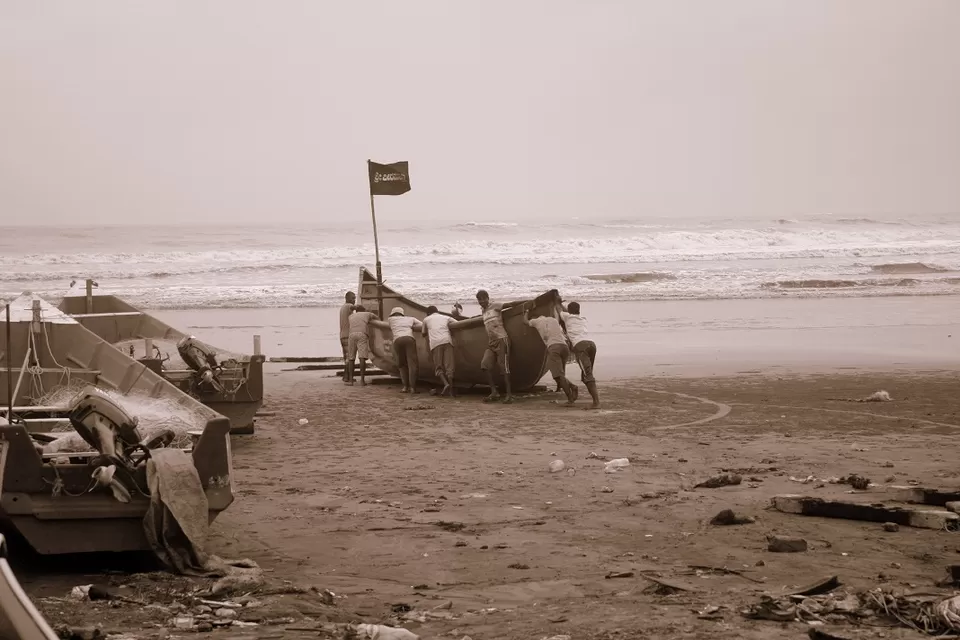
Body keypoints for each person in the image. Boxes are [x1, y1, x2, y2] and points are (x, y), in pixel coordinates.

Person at [473, 289, 525, 403]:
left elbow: (510, 305)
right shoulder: (483, 311)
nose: (482, 301)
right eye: (479, 299)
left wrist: (527, 302)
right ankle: (494, 392)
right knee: (485, 365)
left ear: (488, 298)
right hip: (491, 343)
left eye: (483, 298)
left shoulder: (495, 306)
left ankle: (509, 395)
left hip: (502, 340)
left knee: (504, 368)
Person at [523, 304, 578, 405]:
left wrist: (526, 311)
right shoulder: (553, 320)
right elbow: (560, 316)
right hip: (564, 347)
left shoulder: (536, 321)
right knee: (558, 375)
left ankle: (570, 399)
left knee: (559, 376)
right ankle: (572, 387)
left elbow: (525, 321)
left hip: (554, 348)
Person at [560, 301, 600, 409]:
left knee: (588, 375)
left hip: (580, 346)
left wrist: (558, 301)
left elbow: (559, 310)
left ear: (569, 310)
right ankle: (591, 400)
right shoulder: (583, 319)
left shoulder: (566, 317)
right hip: (591, 345)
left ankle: (596, 403)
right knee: (585, 375)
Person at [387, 307, 424, 393]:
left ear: (393, 314)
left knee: (401, 364)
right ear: (402, 314)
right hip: (409, 339)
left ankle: (405, 387)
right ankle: (413, 388)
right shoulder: (410, 318)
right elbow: (422, 325)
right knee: (412, 365)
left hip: (397, 340)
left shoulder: (390, 319)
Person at [422, 305, 457, 396]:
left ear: (428, 313)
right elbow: (457, 323)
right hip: (447, 341)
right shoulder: (446, 317)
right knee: (449, 367)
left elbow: (423, 333)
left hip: (435, 344)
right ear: (437, 311)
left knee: (438, 367)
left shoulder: (426, 319)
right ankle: (451, 392)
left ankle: (446, 384)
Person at [346, 305, 377, 386]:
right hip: (362, 334)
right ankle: (362, 381)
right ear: (364, 310)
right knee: (362, 357)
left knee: (351, 358)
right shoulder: (366, 314)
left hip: (351, 335)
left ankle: (351, 381)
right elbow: (376, 317)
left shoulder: (350, 316)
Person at [339, 292, 357, 383]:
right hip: (347, 336)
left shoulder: (343, 308)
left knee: (346, 357)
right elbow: (355, 307)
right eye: (353, 298)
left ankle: (346, 376)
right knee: (350, 357)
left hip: (343, 335)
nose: (354, 300)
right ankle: (348, 377)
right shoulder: (348, 306)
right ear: (347, 298)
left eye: (355, 298)